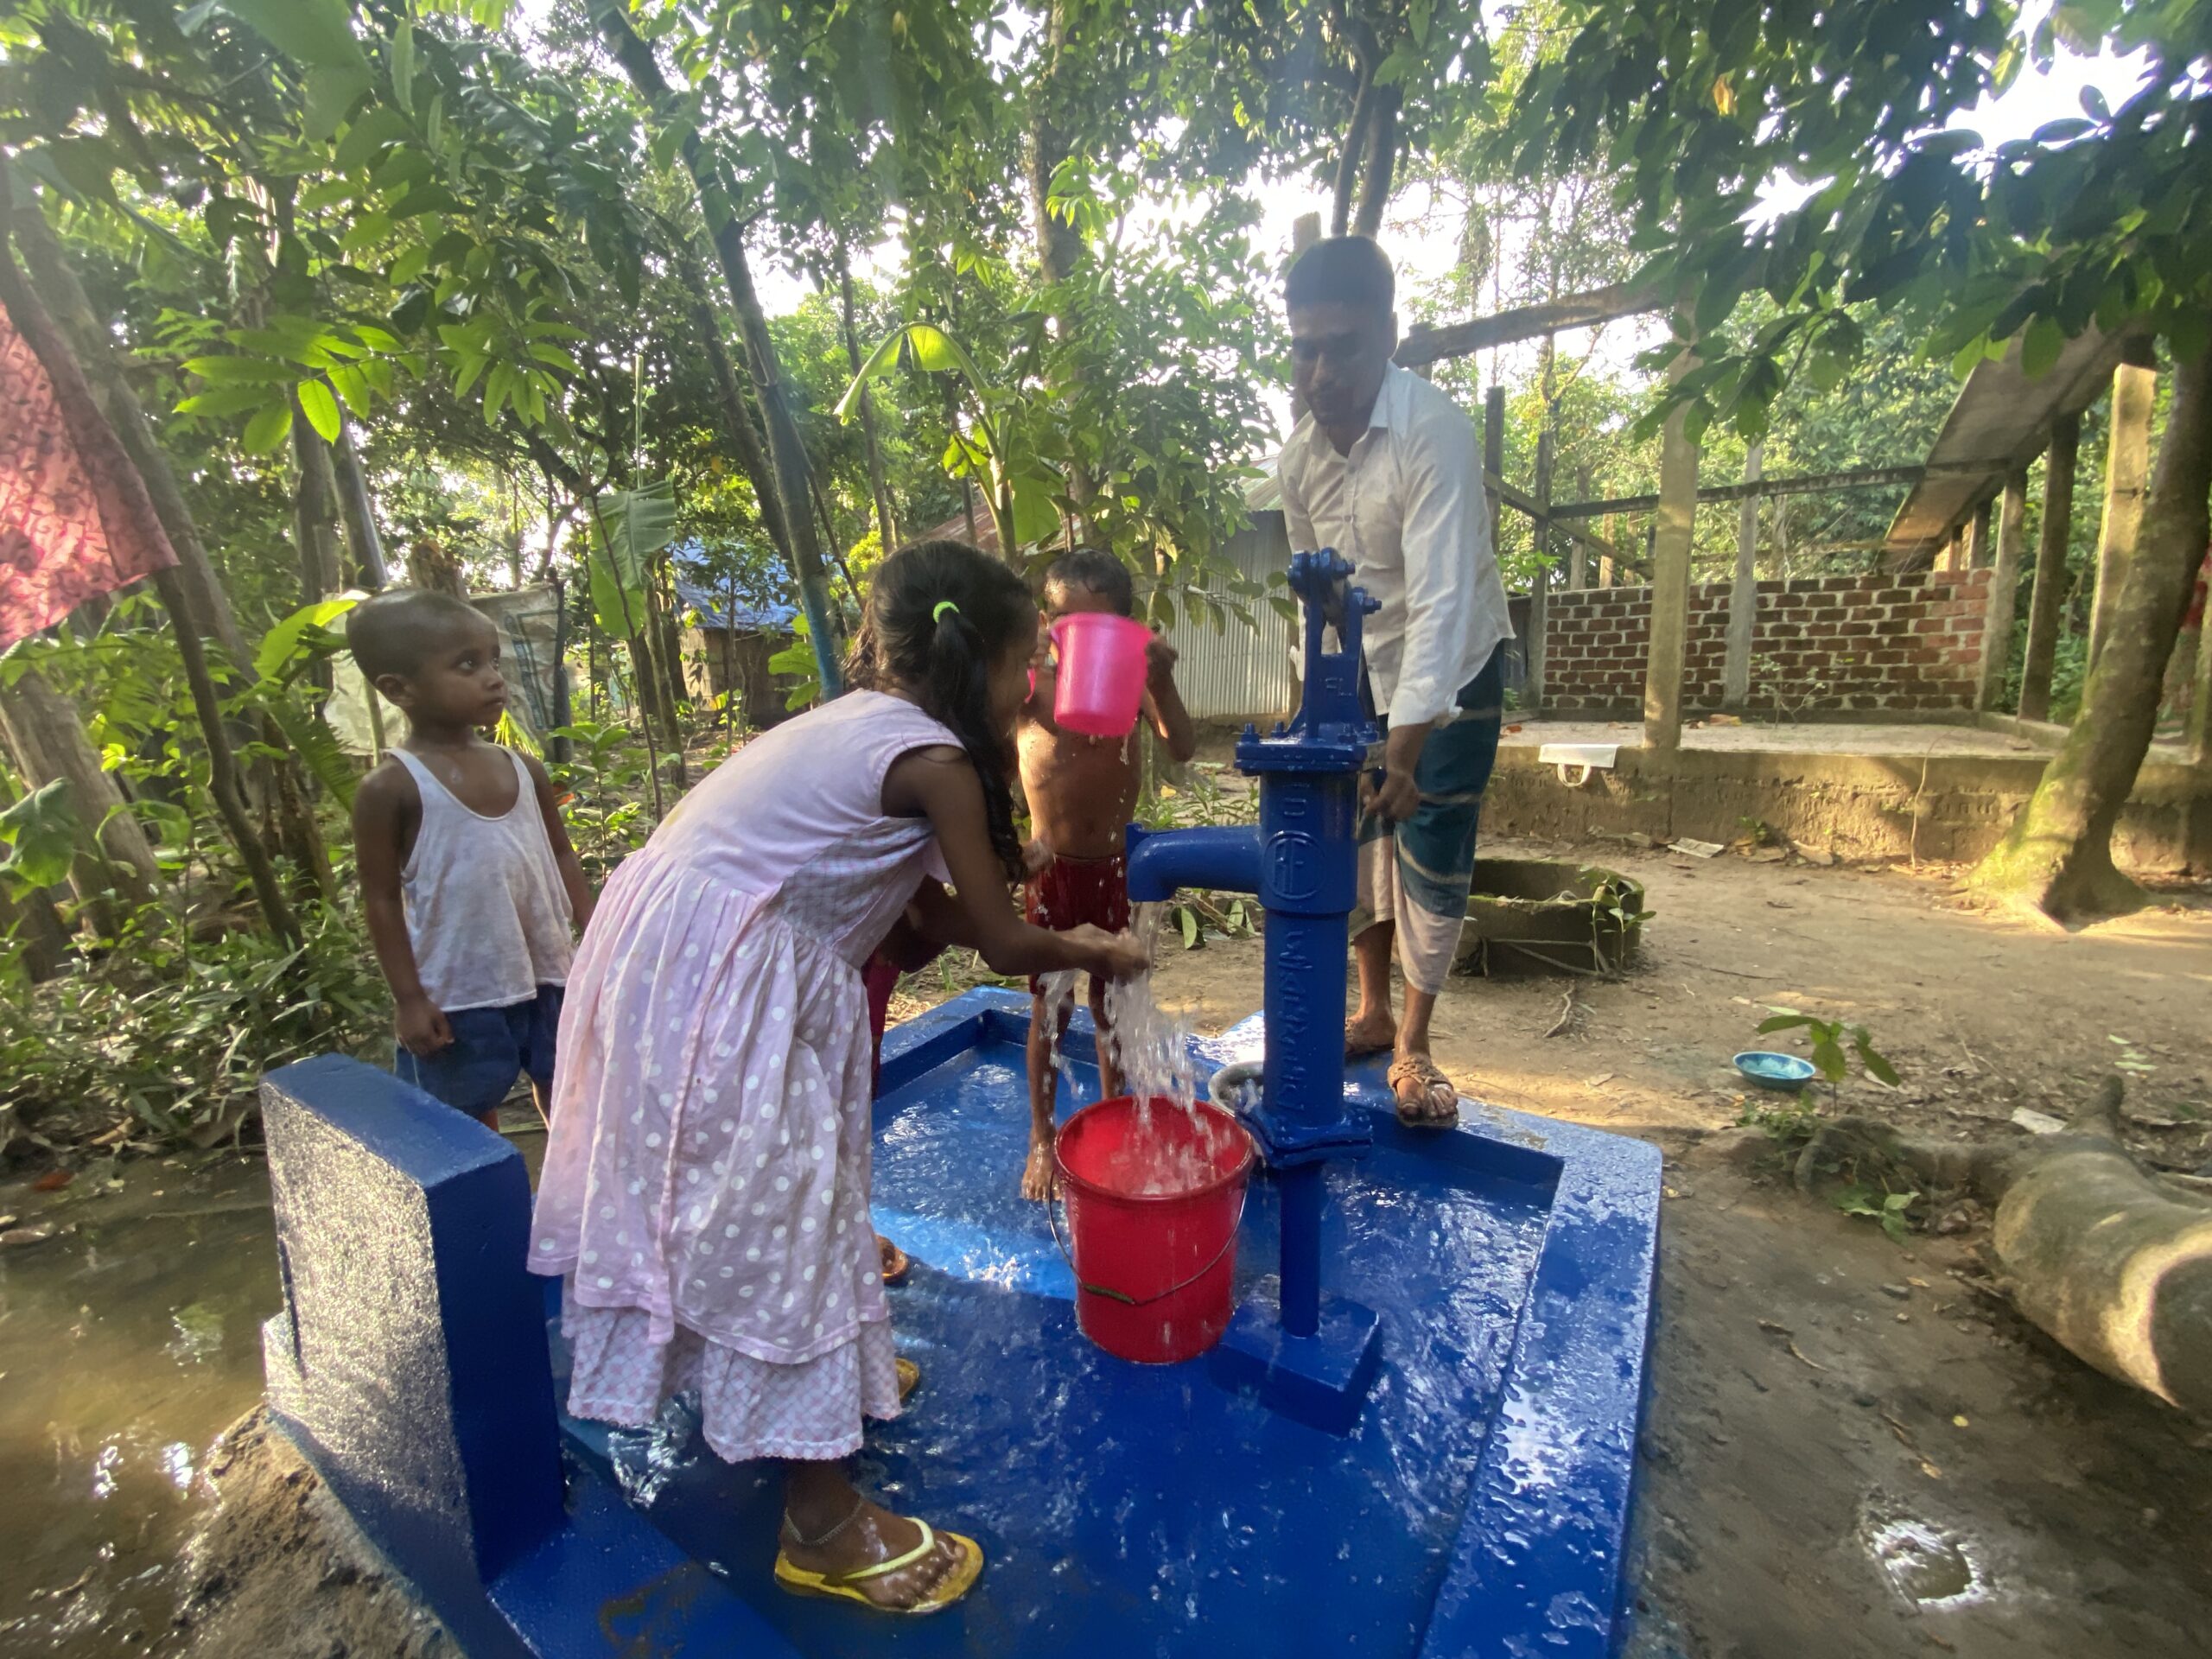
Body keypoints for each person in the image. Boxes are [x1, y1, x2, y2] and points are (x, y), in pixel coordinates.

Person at [528, 539, 1147, 1616]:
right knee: (793, 1212)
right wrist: (1094, 948)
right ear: (981, 660)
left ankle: (793, 1401)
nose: (1039, 687)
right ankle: (821, 1523)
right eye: (1028, 662)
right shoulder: (940, 762)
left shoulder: (859, 723)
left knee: (764, 1202)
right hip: (728, 983)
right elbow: (1000, 944)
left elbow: (919, 923)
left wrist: (1026, 888)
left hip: (682, 957)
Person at [1276, 236, 1513, 1128]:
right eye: (1306, 347)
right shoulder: (1300, 459)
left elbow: (1444, 599)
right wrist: (1318, 710)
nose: (1322, 369)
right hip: (1362, 665)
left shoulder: (1432, 432)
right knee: (1360, 841)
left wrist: (1404, 752)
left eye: (1343, 345)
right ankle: (1369, 1012)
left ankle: (1413, 1040)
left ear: (1388, 335)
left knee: (1431, 849)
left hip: (1454, 662)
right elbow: (1319, 597)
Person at [348, 589, 594, 1131]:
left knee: (569, 1091)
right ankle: (493, 1213)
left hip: (548, 973)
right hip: (461, 991)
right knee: (466, 1118)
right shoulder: (390, 789)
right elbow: (382, 900)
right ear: (398, 689)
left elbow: (561, 855)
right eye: (467, 665)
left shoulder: (525, 769)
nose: (493, 677)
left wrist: (596, 938)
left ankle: (569, 1199)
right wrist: (409, 999)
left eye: (493, 661)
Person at [1015, 548, 1196, 1198]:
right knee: (1049, 1010)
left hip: (1117, 870)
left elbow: (1183, 745)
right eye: (1066, 623)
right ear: (1047, 621)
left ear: (1125, 626)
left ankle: (1118, 1121)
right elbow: (976, 752)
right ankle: (1042, 1138)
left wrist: (1163, 681)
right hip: (1053, 871)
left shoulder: (1135, 684)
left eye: (1099, 625)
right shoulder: (1027, 689)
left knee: (1114, 1007)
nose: (1080, 641)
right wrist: (1010, 843)